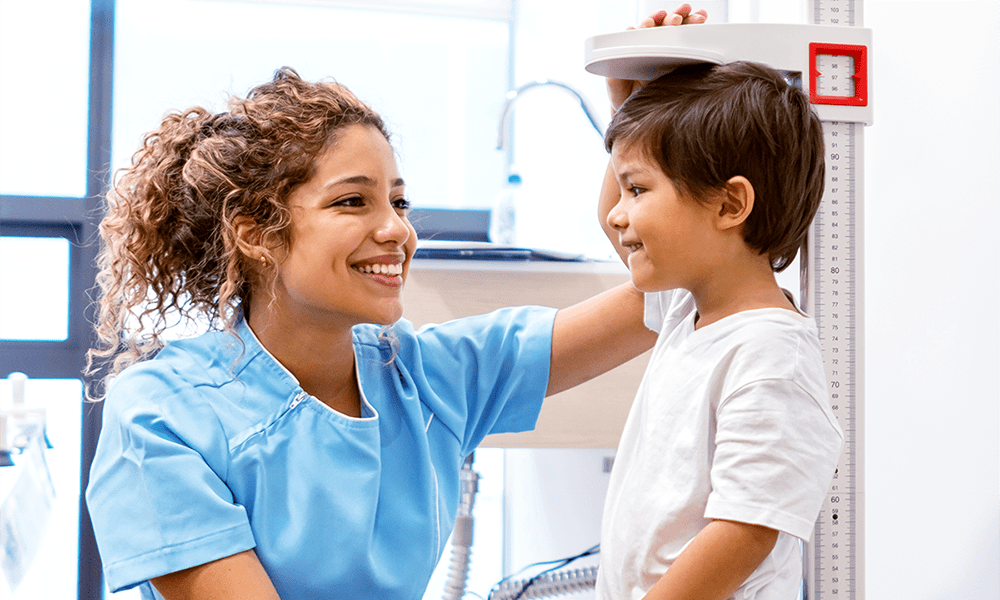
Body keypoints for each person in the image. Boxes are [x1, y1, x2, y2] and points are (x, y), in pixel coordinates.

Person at [82, 65, 661, 600]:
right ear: (255, 234)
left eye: (399, 201)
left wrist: (635, 130)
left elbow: (659, 292)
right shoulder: (162, 416)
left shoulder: (426, 376)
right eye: (353, 201)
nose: (397, 230)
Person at [593, 26, 845, 600]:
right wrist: (629, 106)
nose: (616, 214)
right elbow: (615, 225)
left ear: (730, 204)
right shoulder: (690, 307)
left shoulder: (771, 357)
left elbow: (743, 532)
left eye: (638, 190)